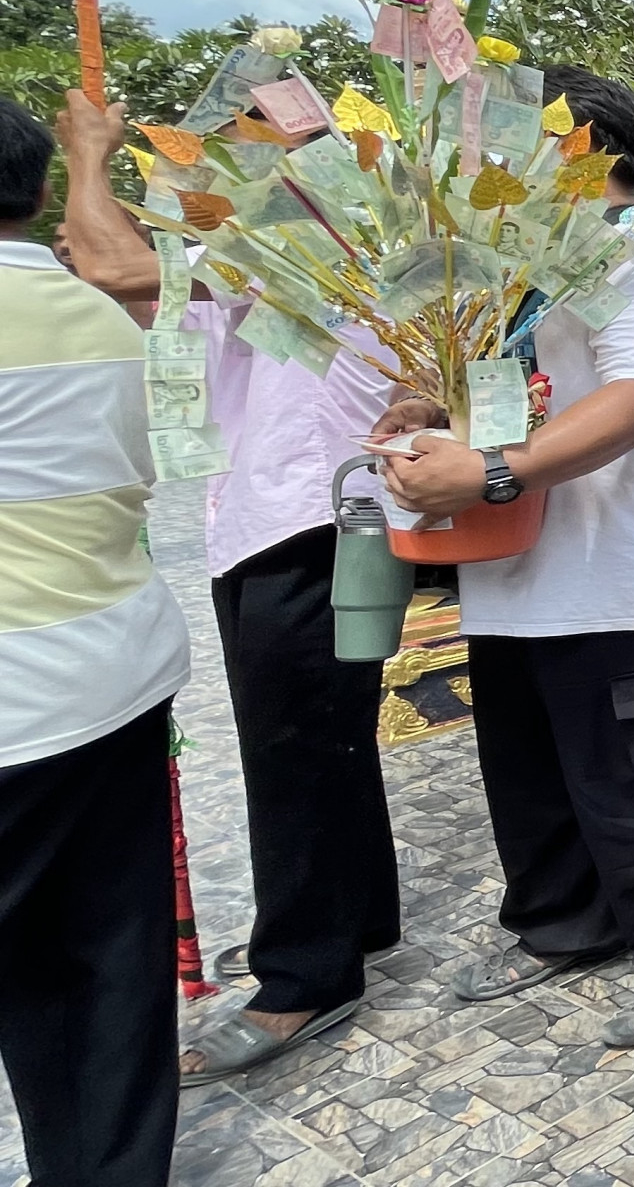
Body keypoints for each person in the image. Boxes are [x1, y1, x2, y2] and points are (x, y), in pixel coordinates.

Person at [377, 68, 634, 1047]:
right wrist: (436, 419)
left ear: (580, 145)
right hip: (519, 574)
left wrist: (492, 473)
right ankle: (565, 921)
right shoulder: (523, 271)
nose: (486, 166)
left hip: (633, 573)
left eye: (503, 141)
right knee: (534, 772)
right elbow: (519, 391)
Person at [55, 88, 407, 1083]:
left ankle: (305, 975)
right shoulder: (286, 239)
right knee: (326, 739)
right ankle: (356, 917)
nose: (223, 151)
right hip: (282, 519)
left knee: (294, 751)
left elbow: (108, 264)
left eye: (249, 132)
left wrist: (88, 155)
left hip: (306, 526)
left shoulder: (309, 230)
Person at [0, 98, 190, 1187]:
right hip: (111, 675)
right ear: (34, 193)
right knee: (105, 957)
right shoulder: (104, 319)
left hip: (19, 695)